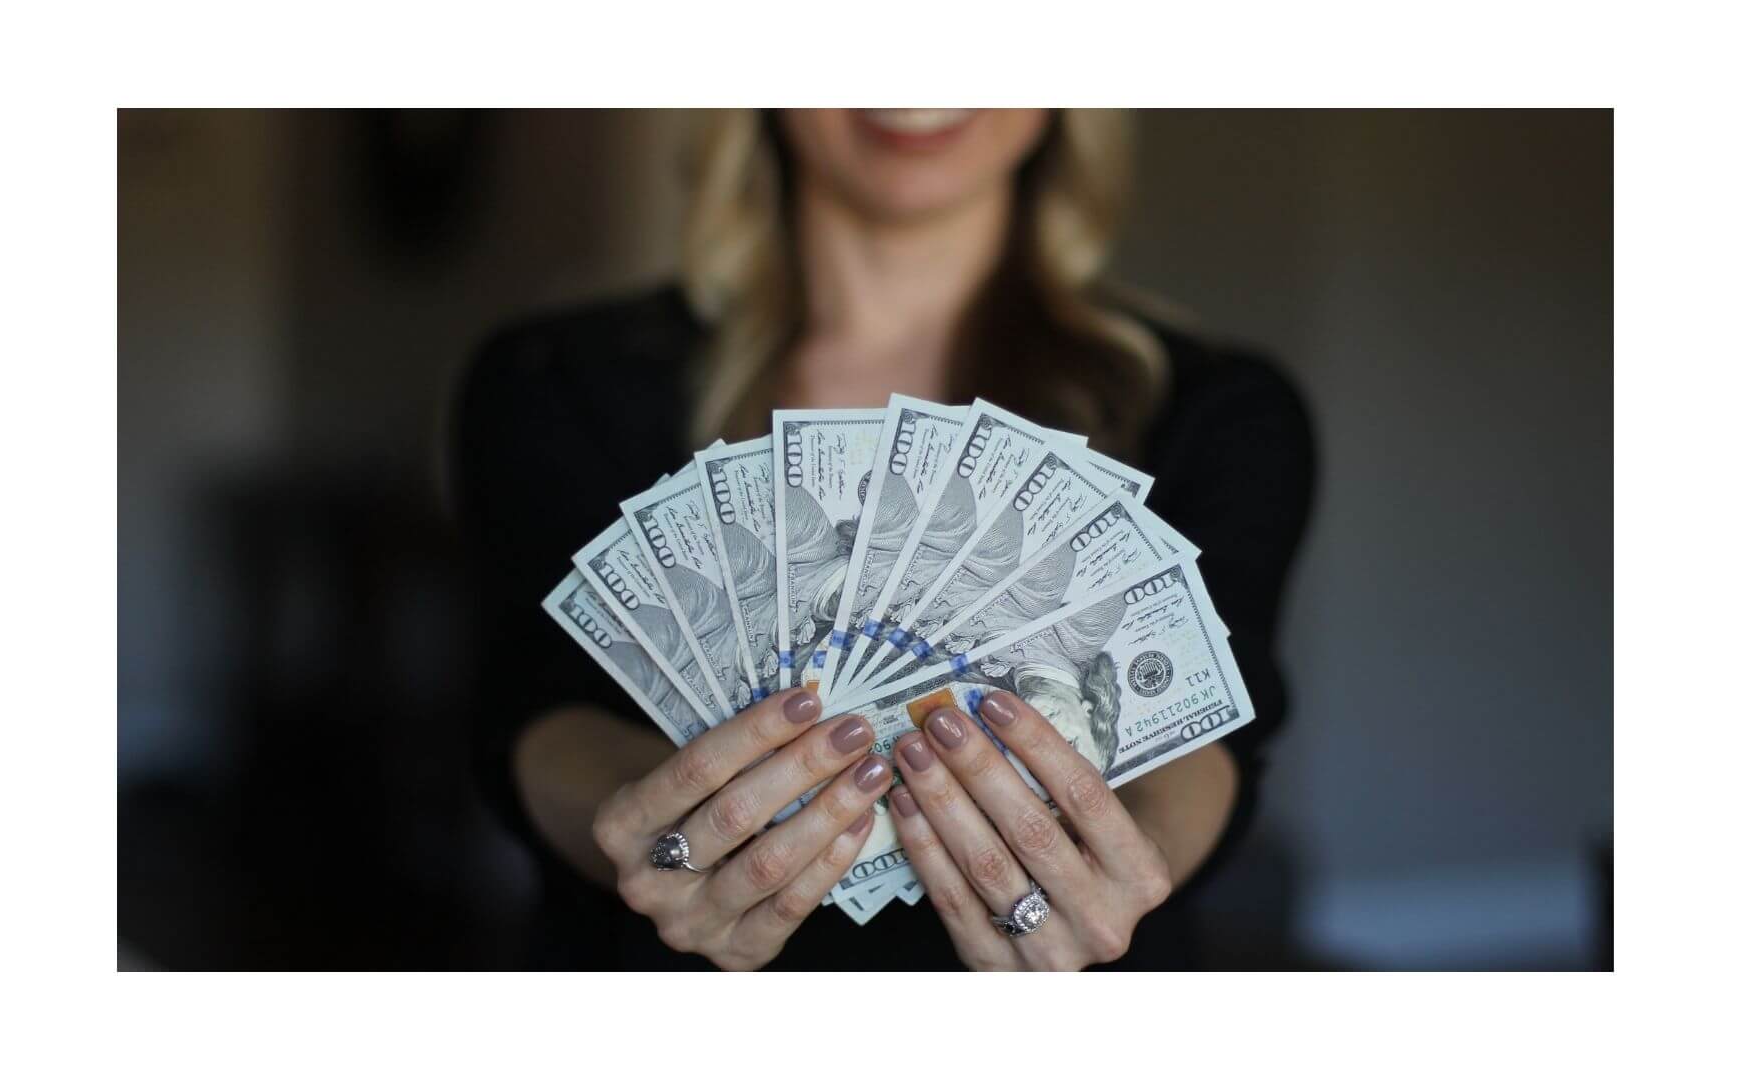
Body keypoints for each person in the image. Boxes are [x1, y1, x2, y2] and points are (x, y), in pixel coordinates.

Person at [455, 109, 1314, 970]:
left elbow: (1214, 730)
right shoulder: (551, 382)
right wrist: (661, 823)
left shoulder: (1219, 413)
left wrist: (1134, 854)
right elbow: (535, 709)